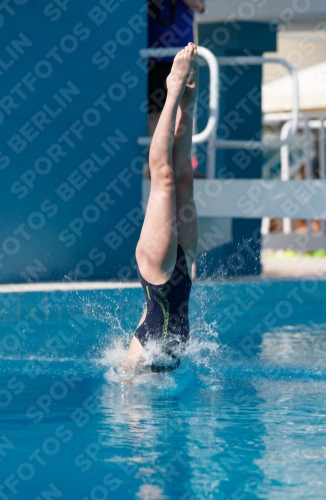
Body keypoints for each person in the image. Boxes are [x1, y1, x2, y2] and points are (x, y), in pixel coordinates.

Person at [126, 43, 198, 373]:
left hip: (157, 272)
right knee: (182, 177)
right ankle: (187, 100)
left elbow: (125, 397)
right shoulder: (149, 364)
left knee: (164, 178)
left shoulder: (138, 364)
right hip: (184, 271)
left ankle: (173, 91)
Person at [148, 0, 204, 135]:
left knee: (183, 113)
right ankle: (154, 154)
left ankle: (179, 154)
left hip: (182, 60)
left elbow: (198, 5)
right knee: (155, 114)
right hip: (152, 62)